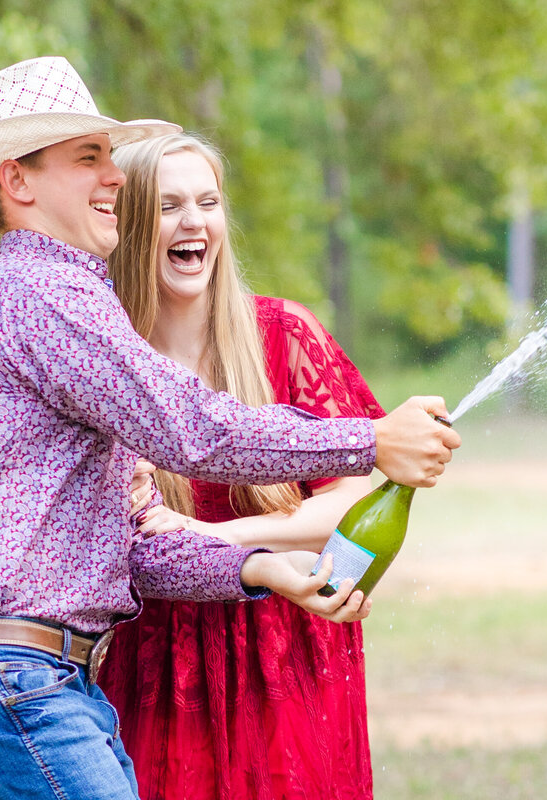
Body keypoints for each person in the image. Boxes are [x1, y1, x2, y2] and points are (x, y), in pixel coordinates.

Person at [0, 57, 460, 800]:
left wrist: (258, 570)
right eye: (89, 157)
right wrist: (370, 439)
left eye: (110, 156)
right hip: (8, 676)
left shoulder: (61, 302)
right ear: (18, 181)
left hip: (28, 676)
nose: (115, 177)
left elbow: (132, 549)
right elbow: (191, 429)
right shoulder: (42, 292)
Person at [96, 133, 381, 799]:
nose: (194, 221)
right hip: (159, 664)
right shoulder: (104, 361)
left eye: (208, 202)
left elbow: (354, 503)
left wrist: (214, 540)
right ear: (132, 226)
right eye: (168, 207)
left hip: (287, 648)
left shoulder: (285, 336)